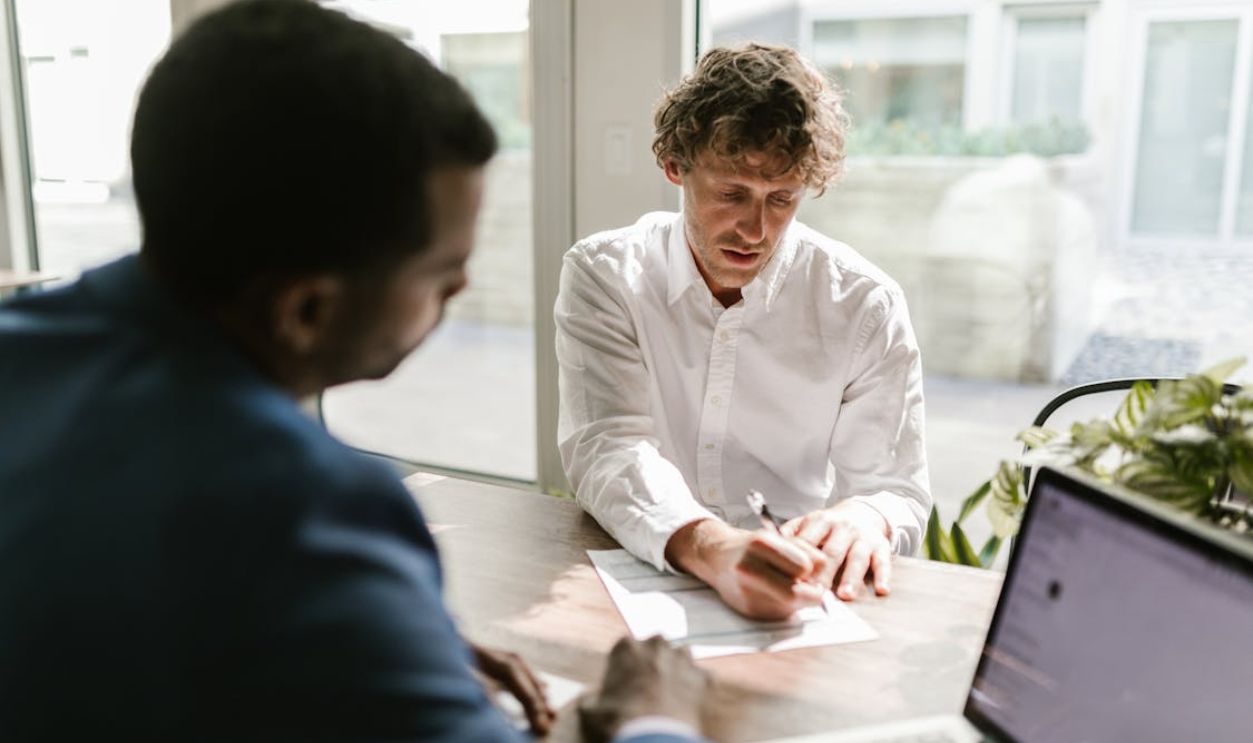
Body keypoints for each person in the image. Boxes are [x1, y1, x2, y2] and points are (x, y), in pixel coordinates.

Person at [0, 2, 708, 741]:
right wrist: (656, 718)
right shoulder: (310, 512)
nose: (462, 292)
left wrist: (368, 644)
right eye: (442, 273)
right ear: (307, 310)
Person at [556, 44, 931, 621]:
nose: (756, 230)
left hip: (798, 589)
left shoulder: (864, 304)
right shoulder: (607, 275)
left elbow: (895, 489)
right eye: (732, 194)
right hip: (635, 571)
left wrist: (864, 517)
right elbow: (607, 445)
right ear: (675, 166)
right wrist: (712, 545)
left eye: (781, 200)